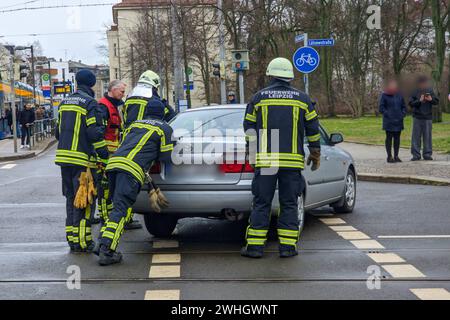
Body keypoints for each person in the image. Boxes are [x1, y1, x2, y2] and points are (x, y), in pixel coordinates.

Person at [241, 57, 321, 259]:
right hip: (292, 162)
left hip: (266, 161)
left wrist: (252, 154)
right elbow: (313, 129)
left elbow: (249, 129)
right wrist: (315, 152)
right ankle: (287, 248)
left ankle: (255, 248)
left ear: (270, 74)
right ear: (289, 76)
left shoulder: (258, 98)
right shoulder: (303, 99)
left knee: (261, 202)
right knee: (289, 203)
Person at [97, 102, 174, 266]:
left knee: (115, 209)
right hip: (131, 170)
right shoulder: (164, 128)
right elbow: (166, 157)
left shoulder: (134, 124)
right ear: (162, 114)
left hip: (113, 166)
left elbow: (124, 144)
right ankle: (107, 250)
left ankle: (102, 242)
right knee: (121, 211)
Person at [55, 69, 109, 253]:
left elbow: (57, 133)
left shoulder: (64, 103)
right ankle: (83, 242)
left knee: (71, 199)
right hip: (83, 161)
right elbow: (95, 134)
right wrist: (104, 157)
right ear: (92, 84)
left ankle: (72, 239)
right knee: (85, 201)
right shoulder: (90, 103)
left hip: (64, 159)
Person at [409, 76, 439, 161]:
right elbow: (411, 104)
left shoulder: (430, 91)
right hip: (417, 117)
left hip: (427, 117)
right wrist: (419, 100)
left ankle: (427, 154)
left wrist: (431, 99)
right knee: (416, 137)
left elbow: (436, 101)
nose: (424, 84)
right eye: (422, 83)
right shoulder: (414, 91)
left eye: (425, 83)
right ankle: (416, 155)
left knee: (427, 137)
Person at [379, 79, 407, 163]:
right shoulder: (384, 95)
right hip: (389, 121)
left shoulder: (399, 95)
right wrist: (387, 114)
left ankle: (396, 156)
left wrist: (403, 113)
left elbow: (403, 106)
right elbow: (381, 108)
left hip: (398, 120)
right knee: (389, 139)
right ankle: (389, 156)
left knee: (397, 139)